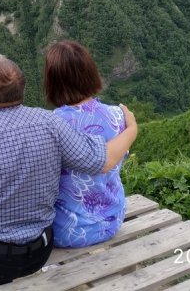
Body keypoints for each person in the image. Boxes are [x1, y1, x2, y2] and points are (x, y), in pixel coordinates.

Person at [0, 54, 137, 284]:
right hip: (39, 251)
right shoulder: (51, 124)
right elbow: (98, 160)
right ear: (21, 89)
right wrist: (131, 130)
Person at [43, 40, 127, 248]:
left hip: (67, 231)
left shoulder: (52, 124)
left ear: (52, 81)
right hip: (112, 220)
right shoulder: (118, 116)